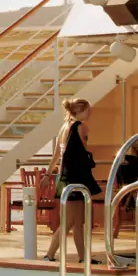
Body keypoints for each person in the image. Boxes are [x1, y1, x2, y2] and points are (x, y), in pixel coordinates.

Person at [47, 97, 98, 263]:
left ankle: (83, 257)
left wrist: (49, 175)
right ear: (79, 111)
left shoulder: (63, 128)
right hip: (77, 177)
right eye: (87, 110)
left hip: (66, 177)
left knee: (77, 222)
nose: (89, 113)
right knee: (70, 221)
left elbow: (56, 155)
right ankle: (49, 254)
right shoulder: (81, 127)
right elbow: (83, 152)